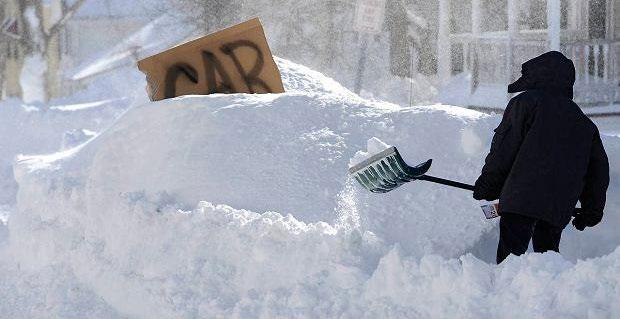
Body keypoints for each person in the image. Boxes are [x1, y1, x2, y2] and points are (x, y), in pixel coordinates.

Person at [473, 51, 610, 264]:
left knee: (510, 259)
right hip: (559, 205)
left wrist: (489, 183)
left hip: (521, 198)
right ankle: (546, 294)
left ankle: (508, 294)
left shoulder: (526, 103)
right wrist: (591, 210)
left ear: (538, 76)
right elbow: (597, 172)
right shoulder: (583, 123)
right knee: (548, 260)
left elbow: (504, 147)